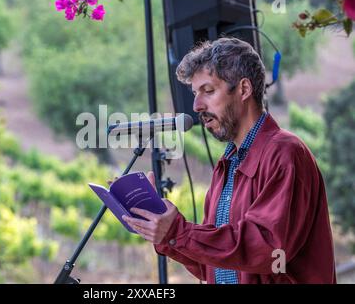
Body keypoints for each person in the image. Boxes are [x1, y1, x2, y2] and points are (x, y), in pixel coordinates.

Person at [122, 37, 336, 284]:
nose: (197, 105)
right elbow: (213, 262)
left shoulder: (285, 153)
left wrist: (178, 232)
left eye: (208, 91)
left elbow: (266, 248)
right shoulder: (227, 164)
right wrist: (164, 232)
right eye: (195, 93)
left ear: (244, 89)